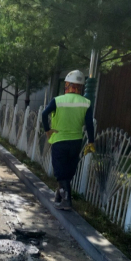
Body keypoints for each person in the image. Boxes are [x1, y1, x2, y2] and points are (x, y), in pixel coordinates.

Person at [42, 70, 95, 210]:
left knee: (60, 171)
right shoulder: (86, 103)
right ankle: (59, 196)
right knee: (69, 170)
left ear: (67, 85)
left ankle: (67, 200)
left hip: (59, 140)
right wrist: (91, 141)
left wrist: (48, 130)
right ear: (81, 86)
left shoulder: (58, 100)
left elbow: (44, 114)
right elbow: (89, 124)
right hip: (76, 141)